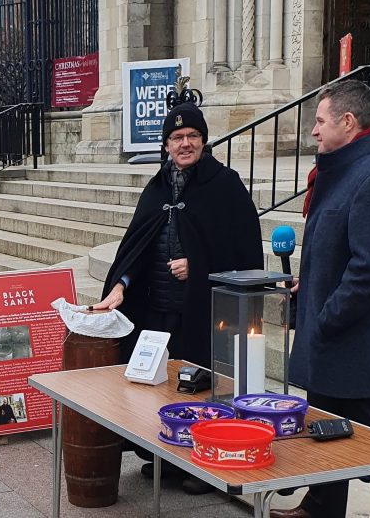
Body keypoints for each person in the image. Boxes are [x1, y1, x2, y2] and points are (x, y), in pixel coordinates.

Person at [92, 102, 264, 495]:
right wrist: (120, 284)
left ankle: (202, 461)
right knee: (157, 387)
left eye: (192, 137)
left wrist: (198, 266)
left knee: (199, 388)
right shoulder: (156, 188)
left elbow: (245, 253)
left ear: (204, 140)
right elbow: (138, 246)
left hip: (202, 310)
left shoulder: (225, 185)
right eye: (176, 138)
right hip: (157, 309)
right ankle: (165, 456)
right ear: (166, 144)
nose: (185, 144)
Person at [269, 81, 370, 518]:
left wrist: (326, 316)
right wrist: (313, 286)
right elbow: (338, 252)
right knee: (326, 434)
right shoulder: (342, 171)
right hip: (335, 349)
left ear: (348, 121)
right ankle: (319, 506)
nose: (314, 132)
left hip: (360, 356)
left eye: (320, 121)